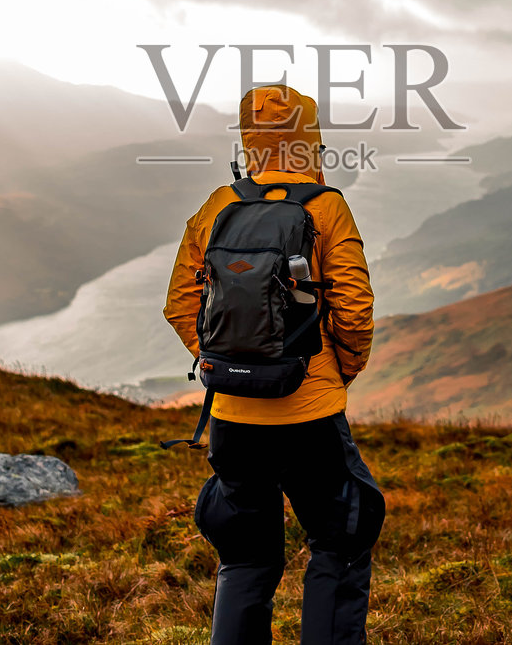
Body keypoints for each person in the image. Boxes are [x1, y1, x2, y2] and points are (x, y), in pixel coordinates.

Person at [164, 84, 383, 645]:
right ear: (310, 137)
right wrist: (336, 373)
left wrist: (225, 363)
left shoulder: (219, 205)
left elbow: (181, 305)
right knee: (339, 541)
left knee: (245, 556)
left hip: (234, 418)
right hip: (309, 412)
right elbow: (354, 313)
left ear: (247, 138)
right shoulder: (324, 206)